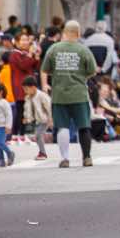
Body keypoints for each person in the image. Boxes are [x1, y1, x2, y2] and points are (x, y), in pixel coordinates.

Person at [41, 20, 99, 168]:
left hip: (59, 95)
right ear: (78, 33)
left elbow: (45, 69)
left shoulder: (53, 49)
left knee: (63, 127)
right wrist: (81, 76)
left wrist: (52, 79)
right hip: (79, 94)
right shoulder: (83, 50)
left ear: (64, 33)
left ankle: (65, 159)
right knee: (84, 126)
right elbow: (93, 71)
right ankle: (86, 158)